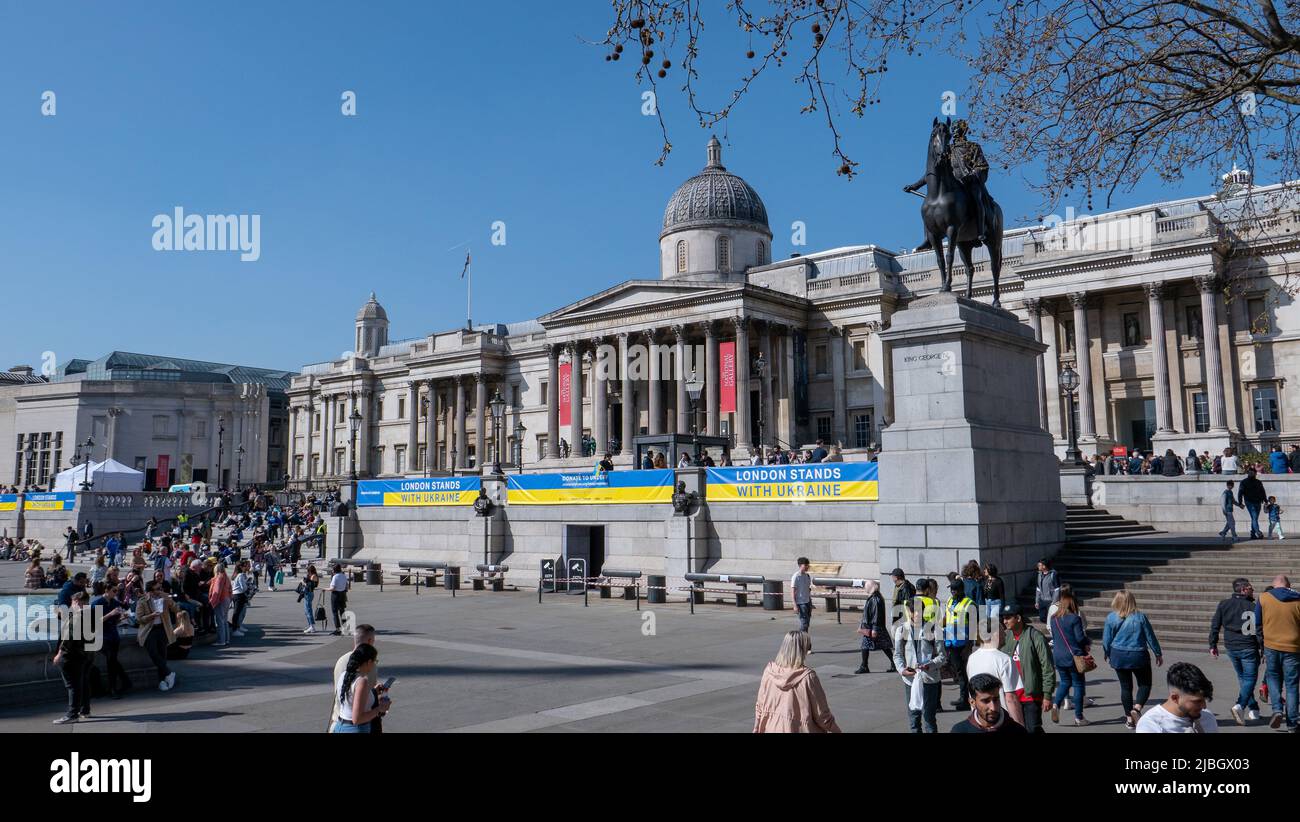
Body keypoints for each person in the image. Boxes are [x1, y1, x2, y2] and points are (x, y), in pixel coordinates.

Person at [753, 631, 839, 733]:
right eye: (808, 646)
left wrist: (757, 728)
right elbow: (821, 714)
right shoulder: (808, 677)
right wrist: (836, 730)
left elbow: (760, 706)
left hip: (772, 728)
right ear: (802, 650)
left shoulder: (769, 671)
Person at [1102, 591, 1164, 729]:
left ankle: (1129, 719)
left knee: (1125, 687)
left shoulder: (1111, 617)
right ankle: (1136, 709)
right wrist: (1157, 653)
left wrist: (1106, 652)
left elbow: (1106, 639)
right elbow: (1150, 636)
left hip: (1118, 654)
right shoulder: (1140, 617)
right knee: (1145, 684)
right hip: (1138, 655)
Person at [1209, 577, 1262, 725]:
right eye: (1251, 588)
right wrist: (1263, 648)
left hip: (1231, 646)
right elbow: (1259, 630)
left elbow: (1215, 625)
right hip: (1249, 646)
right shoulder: (1254, 607)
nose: (1253, 590)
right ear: (1244, 589)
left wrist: (1212, 644)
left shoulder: (1224, 604)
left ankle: (1254, 708)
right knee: (1250, 679)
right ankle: (1240, 705)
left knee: (1243, 678)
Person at [1256, 574, 1300, 731]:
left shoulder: (1263, 598)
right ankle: (1292, 723)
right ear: (1288, 585)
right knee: (1292, 685)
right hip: (1294, 648)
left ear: (1274, 585)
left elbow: (1258, 625)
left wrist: (1262, 647)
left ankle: (1277, 710)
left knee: (1273, 679)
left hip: (1271, 646)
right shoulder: (1298, 598)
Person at [966, 610, 1025, 726]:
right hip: (1000, 720)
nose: (1005, 634)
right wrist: (1019, 726)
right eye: (1002, 631)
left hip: (979, 719)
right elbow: (1010, 698)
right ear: (995, 634)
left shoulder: (972, 658)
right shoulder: (1004, 659)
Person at [894, 602, 945, 733]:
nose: (916, 614)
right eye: (913, 611)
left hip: (929, 678)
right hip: (910, 680)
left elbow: (942, 656)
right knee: (914, 718)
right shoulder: (902, 629)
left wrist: (930, 665)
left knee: (929, 718)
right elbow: (898, 654)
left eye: (919, 611)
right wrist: (902, 670)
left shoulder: (934, 629)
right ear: (909, 612)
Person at [330, 623, 385, 733]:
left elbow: (349, 695)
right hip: (356, 727)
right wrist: (380, 709)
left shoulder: (342, 665)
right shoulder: (362, 679)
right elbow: (357, 718)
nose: (374, 663)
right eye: (374, 661)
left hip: (339, 723)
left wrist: (373, 692)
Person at [1136, 662, 1219, 733]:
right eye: (1197, 701)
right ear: (1175, 698)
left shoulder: (1207, 717)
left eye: (1204, 699)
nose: (1204, 706)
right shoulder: (1151, 725)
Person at [1049, 591, 1092, 726]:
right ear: (1072, 603)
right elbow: (1079, 638)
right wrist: (1087, 642)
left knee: (1064, 682)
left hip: (1058, 655)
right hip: (1073, 656)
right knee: (1078, 684)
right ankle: (1079, 717)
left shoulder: (1053, 618)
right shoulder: (1074, 618)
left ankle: (1056, 704)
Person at [51, 591, 94, 724]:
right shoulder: (89, 614)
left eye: (72, 602)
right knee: (83, 682)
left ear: (77, 602)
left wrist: (59, 654)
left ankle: (72, 714)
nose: (71, 605)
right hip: (87, 654)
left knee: (72, 685)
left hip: (72, 656)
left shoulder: (76, 617)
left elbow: (68, 638)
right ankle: (85, 710)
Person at [89, 582, 131, 698]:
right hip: (102, 636)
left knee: (112, 660)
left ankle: (122, 683)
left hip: (113, 635)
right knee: (111, 661)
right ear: (106, 590)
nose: (116, 593)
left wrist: (122, 618)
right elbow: (94, 622)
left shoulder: (115, 602)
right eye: (114, 590)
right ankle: (116, 687)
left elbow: (115, 621)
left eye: (117, 591)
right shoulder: (97, 603)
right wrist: (110, 614)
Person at [135, 580, 178, 692]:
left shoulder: (164, 598)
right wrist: (151, 616)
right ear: (150, 591)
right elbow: (139, 619)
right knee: (153, 653)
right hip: (149, 630)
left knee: (162, 655)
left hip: (162, 629)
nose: (160, 591)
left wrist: (169, 600)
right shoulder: (143, 601)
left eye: (160, 588)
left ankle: (162, 681)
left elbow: (176, 609)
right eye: (157, 589)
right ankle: (169, 673)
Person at [950, 673, 1028, 734]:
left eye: (996, 699)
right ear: (972, 702)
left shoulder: (1018, 730)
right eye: (986, 701)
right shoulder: (959, 730)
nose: (993, 708)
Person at [943, 579, 976, 710]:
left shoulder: (969, 603)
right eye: (951, 589)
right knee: (958, 672)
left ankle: (965, 700)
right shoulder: (950, 601)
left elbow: (973, 626)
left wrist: (969, 646)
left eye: (955, 590)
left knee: (963, 672)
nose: (952, 592)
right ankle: (964, 697)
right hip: (951, 642)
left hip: (962, 644)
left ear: (961, 590)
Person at [855, 580, 895, 674]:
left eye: (866, 587)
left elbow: (875, 615)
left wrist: (874, 629)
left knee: (865, 646)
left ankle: (864, 666)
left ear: (870, 587)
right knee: (884, 646)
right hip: (873, 626)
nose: (865, 588)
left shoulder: (875, 599)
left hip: (873, 627)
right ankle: (894, 663)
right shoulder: (875, 597)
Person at [1237, 468, 1268, 539]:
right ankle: (1258, 532)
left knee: (1254, 518)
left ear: (1255, 474)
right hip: (1249, 502)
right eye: (1249, 473)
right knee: (1254, 517)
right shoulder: (1243, 482)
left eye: (1252, 473)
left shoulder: (1258, 482)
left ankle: (1253, 534)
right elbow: (1240, 493)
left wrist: (1265, 500)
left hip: (1258, 502)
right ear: (1248, 473)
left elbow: (1262, 491)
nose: (1251, 474)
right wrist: (1240, 502)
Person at [208, 561, 233, 646]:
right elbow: (230, 589)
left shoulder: (218, 578)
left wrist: (212, 601)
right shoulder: (226, 577)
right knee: (225, 620)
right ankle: (226, 639)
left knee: (219, 621)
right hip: (227, 599)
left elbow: (217, 591)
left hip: (220, 600)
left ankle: (221, 640)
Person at [790, 557, 813, 635]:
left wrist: (810, 600)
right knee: (804, 624)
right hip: (800, 603)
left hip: (807, 602)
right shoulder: (796, 576)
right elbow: (793, 592)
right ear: (800, 565)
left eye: (808, 565)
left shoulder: (807, 576)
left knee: (807, 624)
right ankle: (797, 638)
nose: (807, 567)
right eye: (805, 565)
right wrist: (795, 605)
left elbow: (808, 589)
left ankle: (804, 640)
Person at [327, 562, 351, 636]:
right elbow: (347, 586)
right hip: (342, 594)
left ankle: (338, 629)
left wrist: (325, 589)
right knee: (342, 612)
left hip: (336, 595)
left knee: (335, 612)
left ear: (334, 570)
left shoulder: (335, 577)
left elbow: (333, 588)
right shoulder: (343, 576)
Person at [1034, 558, 1059, 623]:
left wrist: (1054, 602)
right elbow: (1038, 589)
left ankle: (1052, 628)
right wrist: (1037, 601)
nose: (1038, 566)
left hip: (1050, 601)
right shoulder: (1039, 574)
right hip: (1042, 600)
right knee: (1042, 618)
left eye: (1039, 565)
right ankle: (1049, 626)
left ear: (1044, 566)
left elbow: (1057, 589)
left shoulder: (1053, 574)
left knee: (1052, 618)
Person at [299, 563, 320, 633]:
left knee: (308, 610)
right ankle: (310, 625)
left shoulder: (314, 576)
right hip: (308, 593)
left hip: (309, 593)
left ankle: (312, 626)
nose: (308, 572)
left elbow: (310, 586)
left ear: (311, 571)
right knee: (306, 611)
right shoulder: (312, 575)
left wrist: (303, 582)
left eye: (308, 571)